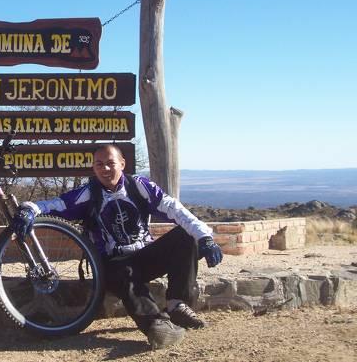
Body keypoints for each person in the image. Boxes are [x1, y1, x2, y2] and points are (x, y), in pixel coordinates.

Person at [11, 144, 223, 350]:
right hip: (113, 263)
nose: (104, 169)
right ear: (94, 168)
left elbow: (173, 209)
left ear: (122, 163)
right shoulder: (88, 193)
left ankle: (177, 305)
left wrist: (204, 237)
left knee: (187, 236)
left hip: (145, 256)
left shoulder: (139, 186)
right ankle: (156, 325)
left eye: (110, 163)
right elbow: (55, 205)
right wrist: (28, 210)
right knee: (125, 274)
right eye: (99, 164)